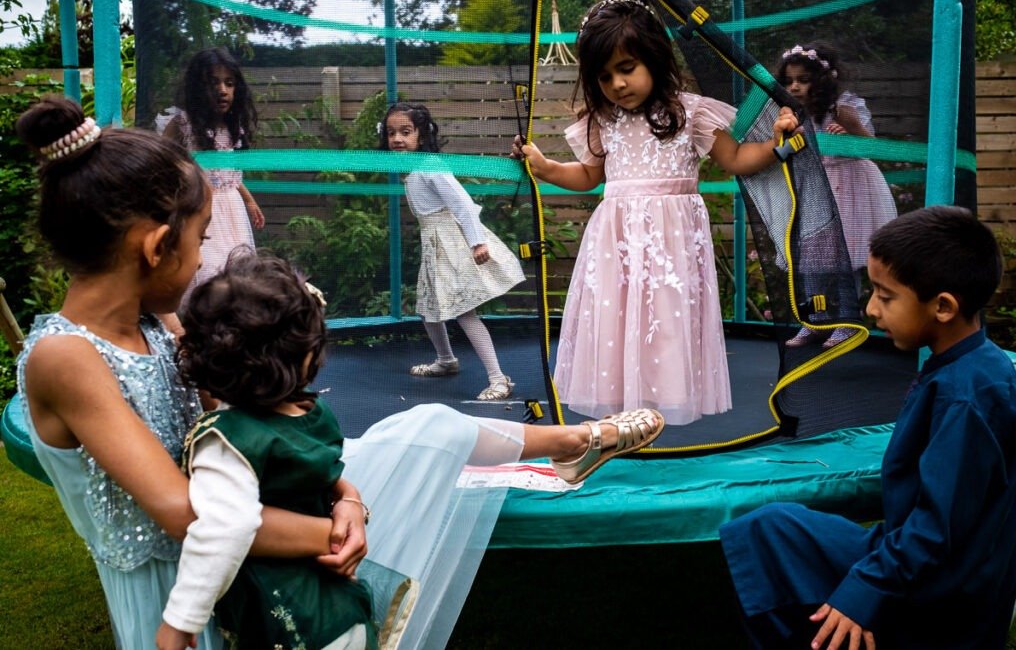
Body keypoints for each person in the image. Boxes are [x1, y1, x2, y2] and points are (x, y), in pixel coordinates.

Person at [156, 249, 665, 649]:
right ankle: (576, 441)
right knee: (434, 428)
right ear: (306, 357)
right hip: (311, 597)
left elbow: (264, 500)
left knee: (433, 425)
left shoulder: (258, 428)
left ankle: (573, 442)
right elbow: (229, 525)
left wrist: (349, 495)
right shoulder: (275, 425)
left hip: (309, 597)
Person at [14, 96, 377, 649]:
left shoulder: (160, 321)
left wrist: (343, 493)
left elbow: (244, 429)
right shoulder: (67, 358)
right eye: (201, 239)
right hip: (171, 596)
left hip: (236, 571)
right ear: (159, 246)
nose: (203, 258)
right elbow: (186, 513)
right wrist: (327, 531)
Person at [719, 206, 1016, 650]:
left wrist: (864, 591)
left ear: (942, 306)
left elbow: (938, 529)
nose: (870, 308)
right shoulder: (973, 364)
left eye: (885, 295)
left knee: (775, 543)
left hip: (942, 596)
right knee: (773, 525)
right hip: (914, 553)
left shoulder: (967, 397)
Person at [511, 0, 798, 426]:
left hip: (672, 244)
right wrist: (546, 166)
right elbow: (589, 176)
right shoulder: (602, 120)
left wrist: (777, 147)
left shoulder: (692, 113)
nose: (617, 84)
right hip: (618, 242)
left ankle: (662, 406)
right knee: (617, 317)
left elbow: (737, 159)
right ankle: (619, 413)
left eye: (626, 69)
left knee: (665, 319)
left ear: (655, 58)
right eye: (605, 77)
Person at [381, 102, 526, 401]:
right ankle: (446, 360)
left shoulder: (430, 166)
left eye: (405, 132)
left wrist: (477, 242)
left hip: (453, 243)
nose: (397, 139)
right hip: (434, 243)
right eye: (391, 133)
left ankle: (499, 379)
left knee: (464, 311)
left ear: (421, 136)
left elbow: (461, 203)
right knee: (429, 307)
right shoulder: (411, 170)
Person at [778, 43, 898, 349]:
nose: (794, 86)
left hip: (849, 186)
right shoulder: (791, 114)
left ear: (821, 80)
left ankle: (847, 321)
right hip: (815, 188)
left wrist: (851, 134)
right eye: (789, 80)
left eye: (802, 80)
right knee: (811, 259)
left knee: (845, 258)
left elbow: (871, 146)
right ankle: (814, 322)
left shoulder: (843, 109)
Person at [164, 46, 264, 307]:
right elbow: (163, 165)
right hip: (201, 209)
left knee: (236, 273)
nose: (223, 90)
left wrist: (249, 200)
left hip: (231, 210)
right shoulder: (182, 124)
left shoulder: (232, 127)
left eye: (229, 83)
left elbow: (228, 175)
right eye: (214, 83)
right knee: (207, 271)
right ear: (198, 87)